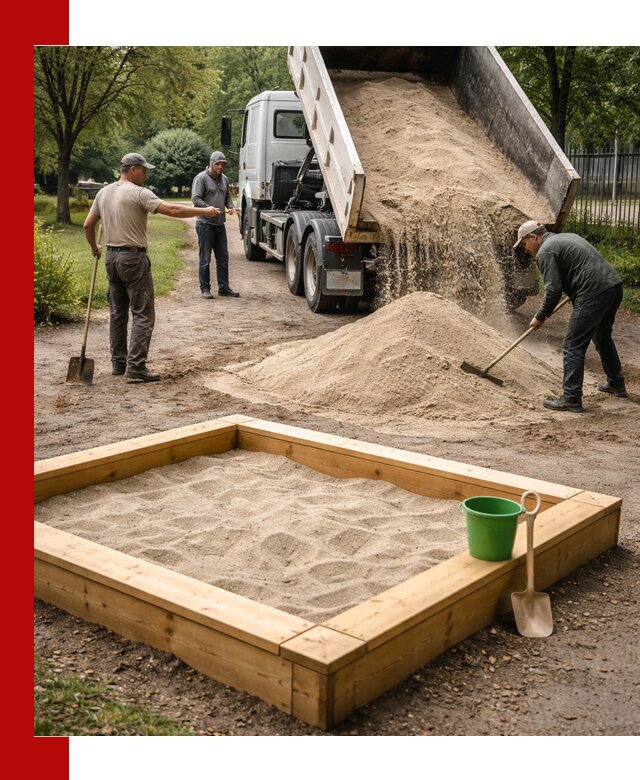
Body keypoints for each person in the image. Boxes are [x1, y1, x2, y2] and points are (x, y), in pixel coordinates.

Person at [83, 152, 222, 383]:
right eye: (144, 170)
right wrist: (204, 211)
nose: (147, 174)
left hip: (111, 258)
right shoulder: (139, 193)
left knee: (118, 313)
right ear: (133, 169)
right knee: (143, 313)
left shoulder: (103, 192)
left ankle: (119, 364)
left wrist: (93, 247)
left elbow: (88, 225)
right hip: (133, 259)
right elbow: (174, 211)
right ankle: (136, 368)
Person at [513, 220, 626, 412]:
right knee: (602, 337)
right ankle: (616, 383)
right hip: (612, 286)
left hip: (593, 292)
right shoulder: (565, 238)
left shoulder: (546, 251)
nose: (525, 249)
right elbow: (576, 269)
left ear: (534, 237)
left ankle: (571, 398)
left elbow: (553, 290)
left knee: (572, 345)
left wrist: (540, 316)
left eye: (524, 244)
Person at [191, 151, 239, 299]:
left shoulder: (224, 179)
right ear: (212, 163)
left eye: (223, 164)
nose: (220, 167)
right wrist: (207, 209)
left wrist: (231, 206)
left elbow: (227, 196)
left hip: (220, 225)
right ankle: (205, 288)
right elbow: (195, 199)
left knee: (223, 258)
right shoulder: (201, 178)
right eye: (218, 164)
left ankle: (223, 288)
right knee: (205, 259)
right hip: (205, 224)